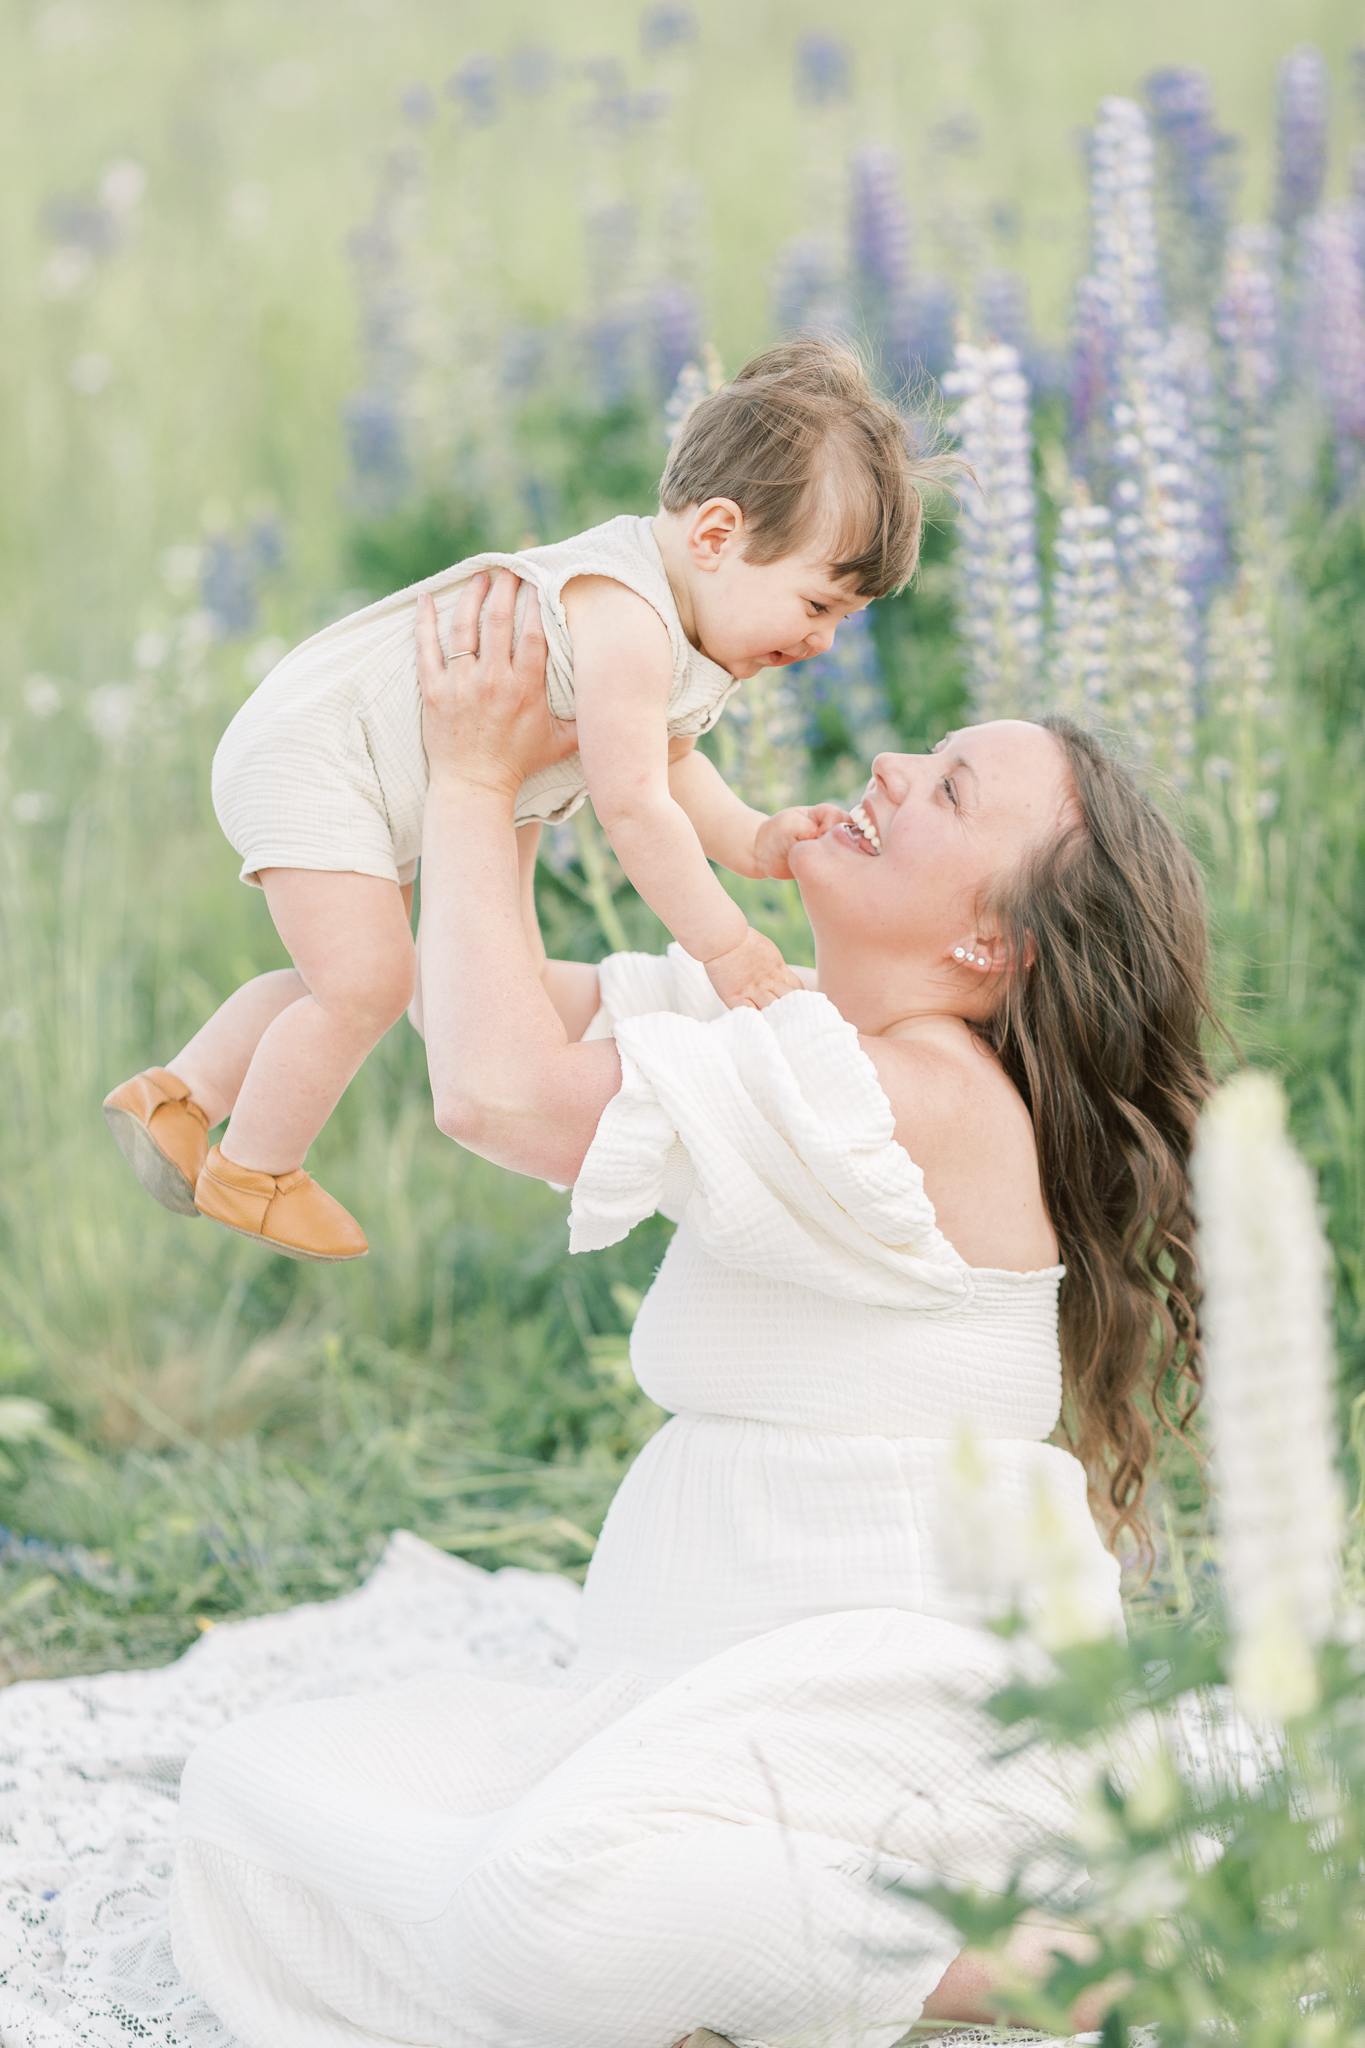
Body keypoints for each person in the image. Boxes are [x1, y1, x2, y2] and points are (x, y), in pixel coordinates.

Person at [168, 570, 1215, 2048]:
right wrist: (521, 778)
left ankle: (1025, 1961)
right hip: (701, 1703)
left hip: (915, 1730)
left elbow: (494, 1091)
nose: (888, 766)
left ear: (993, 943)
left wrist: (473, 777)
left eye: (949, 788)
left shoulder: (913, 1097)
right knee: (247, 1811)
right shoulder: (793, 1028)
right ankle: (739, 1950)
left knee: (533, 1909)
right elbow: (482, 998)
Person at [102, 337, 949, 1263]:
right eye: (817, 606)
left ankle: (177, 1102)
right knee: (369, 983)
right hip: (325, 753)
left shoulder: (670, 622)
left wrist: (750, 838)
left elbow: (669, 767)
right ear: (715, 536)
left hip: (360, 764)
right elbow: (634, 808)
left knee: (347, 981)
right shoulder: (626, 619)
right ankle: (256, 1171)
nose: (823, 642)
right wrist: (729, 948)